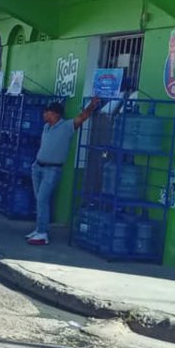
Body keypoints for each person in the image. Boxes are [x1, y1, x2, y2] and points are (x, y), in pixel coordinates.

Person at [27, 97, 100, 245]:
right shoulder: (46, 127)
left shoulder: (67, 126)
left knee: (42, 199)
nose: (44, 115)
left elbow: (82, 117)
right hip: (38, 167)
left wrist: (92, 105)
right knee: (39, 200)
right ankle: (40, 228)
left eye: (46, 113)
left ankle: (42, 234)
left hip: (51, 169)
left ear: (55, 114)